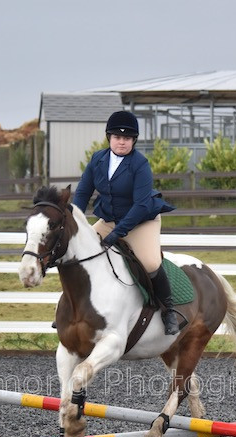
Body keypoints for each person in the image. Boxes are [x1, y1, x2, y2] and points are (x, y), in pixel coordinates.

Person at [72, 110, 180, 335]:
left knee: (150, 263)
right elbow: (82, 193)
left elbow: (140, 205)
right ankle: (73, 309)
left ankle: (168, 310)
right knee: (78, 254)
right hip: (110, 219)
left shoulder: (140, 164)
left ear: (133, 140)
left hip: (141, 222)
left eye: (127, 138)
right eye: (117, 137)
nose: (122, 141)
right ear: (109, 137)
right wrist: (75, 221)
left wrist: (116, 234)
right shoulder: (97, 159)